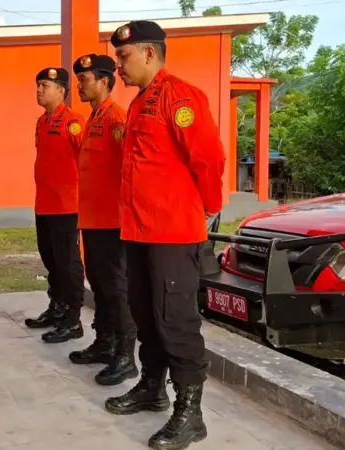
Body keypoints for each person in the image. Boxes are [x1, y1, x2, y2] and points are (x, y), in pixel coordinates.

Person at [104, 20, 226, 450]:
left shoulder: (181, 96)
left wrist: (209, 206)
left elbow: (208, 158)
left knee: (176, 321)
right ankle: (152, 387)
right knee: (145, 313)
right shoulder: (139, 102)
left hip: (172, 232)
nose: (118, 66)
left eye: (123, 56)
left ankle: (190, 414)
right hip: (138, 230)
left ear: (149, 53)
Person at [68, 53, 138, 387]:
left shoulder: (115, 118)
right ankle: (104, 341)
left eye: (84, 80)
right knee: (99, 284)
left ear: (104, 81)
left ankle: (125, 356)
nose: (79, 86)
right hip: (92, 219)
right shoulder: (93, 118)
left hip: (112, 221)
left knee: (115, 287)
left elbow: (129, 168)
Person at [24, 67, 87, 344]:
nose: (39, 90)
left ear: (61, 91)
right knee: (50, 259)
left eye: (44, 86)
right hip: (44, 203)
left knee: (68, 263)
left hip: (67, 205)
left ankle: (73, 319)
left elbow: (88, 161)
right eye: (37, 85)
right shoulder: (41, 121)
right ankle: (57, 307)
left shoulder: (74, 122)